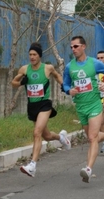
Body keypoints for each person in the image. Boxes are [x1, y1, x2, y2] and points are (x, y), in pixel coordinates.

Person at [11, 42, 71, 178]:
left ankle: (32, 165)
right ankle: (61, 138)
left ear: (39, 56)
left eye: (34, 55)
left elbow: (56, 76)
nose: (32, 57)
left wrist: (64, 86)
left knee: (37, 132)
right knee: (47, 136)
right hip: (32, 105)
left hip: (44, 104)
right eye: (30, 54)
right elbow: (13, 83)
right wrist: (21, 82)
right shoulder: (24, 69)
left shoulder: (47, 68)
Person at [63, 36, 104, 183]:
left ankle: (88, 168)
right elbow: (65, 84)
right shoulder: (69, 67)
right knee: (92, 137)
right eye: (72, 47)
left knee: (92, 138)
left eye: (76, 46)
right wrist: (69, 91)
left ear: (83, 46)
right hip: (81, 107)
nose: (73, 49)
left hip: (94, 104)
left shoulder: (94, 63)